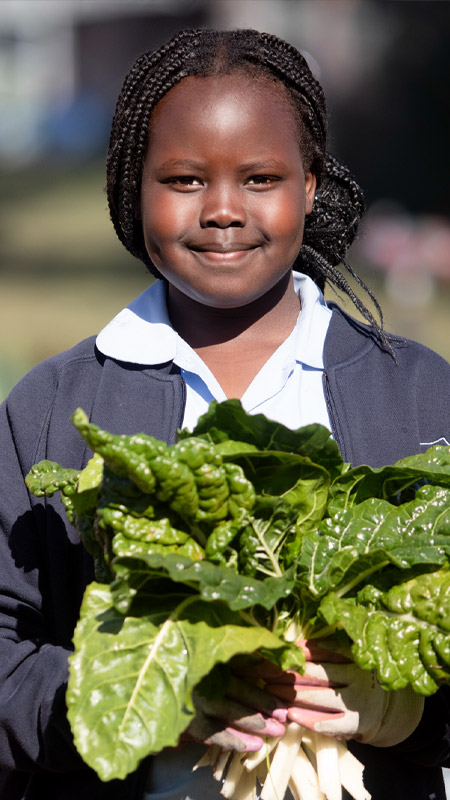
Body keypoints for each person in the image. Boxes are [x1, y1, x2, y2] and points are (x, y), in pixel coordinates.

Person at [0, 27, 449, 800]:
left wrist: (401, 709)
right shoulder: (52, 409)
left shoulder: (417, 395)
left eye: (261, 178)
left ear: (310, 187)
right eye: (183, 180)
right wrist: (152, 697)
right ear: (132, 188)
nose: (222, 210)